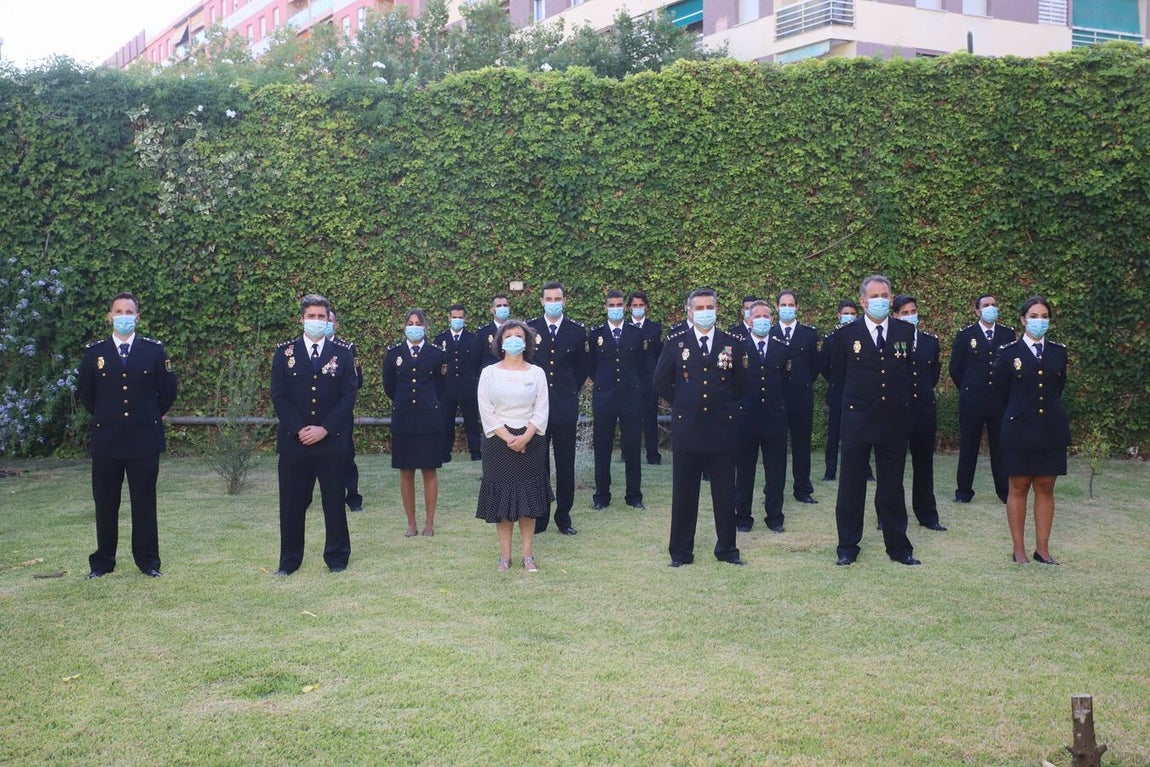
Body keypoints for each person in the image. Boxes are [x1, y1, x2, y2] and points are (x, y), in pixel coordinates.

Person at [77, 291, 178, 579]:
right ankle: (103, 562)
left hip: (143, 440)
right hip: (106, 440)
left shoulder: (154, 352)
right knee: (105, 503)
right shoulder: (94, 353)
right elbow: (86, 394)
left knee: (144, 502)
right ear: (109, 316)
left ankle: (148, 561)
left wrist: (145, 417)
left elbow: (167, 392)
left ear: (138, 317)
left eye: (128, 311)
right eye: (118, 311)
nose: (123, 316)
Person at [829, 275, 920, 566]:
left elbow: (907, 373)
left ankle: (898, 547)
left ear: (891, 299)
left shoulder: (905, 332)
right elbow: (838, 377)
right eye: (874, 296)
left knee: (892, 486)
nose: (880, 300)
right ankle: (847, 546)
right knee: (851, 487)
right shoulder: (845, 335)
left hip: (893, 420)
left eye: (885, 295)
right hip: (857, 419)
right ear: (863, 301)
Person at [654, 287, 747, 567]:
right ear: (689, 311)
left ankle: (727, 550)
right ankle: (681, 552)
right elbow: (660, 381)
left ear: (717, 309)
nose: (706, 312)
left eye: (710, 307)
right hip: (688, 428)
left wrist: (725, 406)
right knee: (684, 492)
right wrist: (682, 403)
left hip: (721, 428)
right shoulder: (676, 342)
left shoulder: (732, 342)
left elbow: (743, 384)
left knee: (724, 492)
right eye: (700, 308)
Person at [270, 294, 358, 575]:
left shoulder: (343, 353)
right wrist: (299, 429)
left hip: (331, 443)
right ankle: (289, 560)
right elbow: (279, 395)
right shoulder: (284, 353)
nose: (317, 322)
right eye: (312, 317)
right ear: (302, 319)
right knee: (292, 504)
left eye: (322, 317)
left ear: (328, 320)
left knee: (334, 502)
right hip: (294, 443)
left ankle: (337, 557)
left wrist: (324, 429)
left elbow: (348, 397)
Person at [993, 296, 1069, 565]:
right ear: (1023, 320)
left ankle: (1042, 549)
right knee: (1019, 486)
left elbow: (1058, 388)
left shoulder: (1059, 352)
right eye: (1034, 316)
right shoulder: (1008, 352)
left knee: (1046, 487)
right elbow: (1000, 394)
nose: (1040, 321)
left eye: (1044, 316)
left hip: (1050, 428)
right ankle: (1019, 550)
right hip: (1018, 429)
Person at [476, 320, 551, 571]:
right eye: (508, 336)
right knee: (503, 503)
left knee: (527, 504)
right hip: (498, 444)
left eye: (518, 336)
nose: (513, 340)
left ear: (527, 342)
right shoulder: (489, 373)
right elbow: (486, 410)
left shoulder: (536, 373)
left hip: (531, 443)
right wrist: (508, 438)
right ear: (500, 342)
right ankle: (505, 557)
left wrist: (526, 437)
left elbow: (541, 410)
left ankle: (528, 555)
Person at [528, 281, 588, 535]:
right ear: (541, 301)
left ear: (565, 301)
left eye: (557, 299)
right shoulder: (531, 328)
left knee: (565, 463)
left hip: (564, 405)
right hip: (538, 409)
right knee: (539, 464)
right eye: (548, 299)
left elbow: (583, 368)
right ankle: (540, 517)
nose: (553, 303)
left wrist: (567, 390)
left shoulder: (576, 331)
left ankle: (563, 516)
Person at [383, 309, 445, 537]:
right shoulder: (393, 354)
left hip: (429, 418)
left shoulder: (436, 354)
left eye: (418, 323)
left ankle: (429, 522)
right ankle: (411, 523)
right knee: (406, 471)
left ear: (426, 327)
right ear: (404, 326)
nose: (414, 326)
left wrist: (427, 403)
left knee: (429, 470)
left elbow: (441, 387)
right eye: (410, 322)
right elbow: (389, 386)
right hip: (404, 419)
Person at [950, 294, 1016, 503]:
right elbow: (956, 368)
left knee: (1001, 448)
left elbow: (1011, 367)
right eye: (986, 306)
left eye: (994, 305)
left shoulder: (1007, 334)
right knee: (969, 447)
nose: (991, 308)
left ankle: (1004, 492)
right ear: (977, 311)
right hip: (972, 401)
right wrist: (969, 388)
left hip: (998, 402)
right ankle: (963, 492)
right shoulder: (966, 335)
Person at [734, 301, 789, 533]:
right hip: (746, 419)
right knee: (744, 471)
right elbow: (731, 383)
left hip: (774, 419)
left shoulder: (781, 347)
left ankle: (774, 516)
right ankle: (743, 517)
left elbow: (787, 382)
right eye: (758, 316)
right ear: (749, 319)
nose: (763, 320)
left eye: (767, 315)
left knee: (776, 471)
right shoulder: (738, 347)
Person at [893, 295, 946, 531]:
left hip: (923, 410)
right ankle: (888, 515)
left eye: (913, 311)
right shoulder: (890, 341)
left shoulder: (930, 342)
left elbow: (932, 375)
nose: (910, 315)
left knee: (924, 466)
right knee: (893, 466)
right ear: (895, 315)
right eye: (904, 312)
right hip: (896, 410)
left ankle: (927, 515)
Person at [589, 289, 646, 510]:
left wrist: (633, 385)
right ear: (605, 308)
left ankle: (634, 495)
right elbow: (592, 367)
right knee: (602, 448)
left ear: (625, 307)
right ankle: (602, 495)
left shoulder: (635, 333)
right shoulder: (595, 335)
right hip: (605, 397)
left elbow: (642, 366)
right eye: (611, 305)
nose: (615, 309)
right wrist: (604, 383)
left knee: (632, 447)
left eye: (619, 305)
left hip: (630, 397)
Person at [771, 289, 819, 504]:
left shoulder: (808, 334)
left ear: (797, 307)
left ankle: (802, 489)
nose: (787, 308)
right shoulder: (769, 332)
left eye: (791, 304)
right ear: (776, 307)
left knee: (801, 445)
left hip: (801, 397)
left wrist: (804, 383)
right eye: (783, 304)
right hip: (776, 399)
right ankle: (773, 490)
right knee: (775, 447)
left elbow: (815, 366)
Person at [435, 304, 482, 462]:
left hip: (468, 388)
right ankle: (444, 454)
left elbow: (476, 362)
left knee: (472, 423)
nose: (457, 320)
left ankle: (476, 453)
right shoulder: (440, 339)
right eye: (454, 317)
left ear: (465, 318)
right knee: (445, 423)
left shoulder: (472, 338)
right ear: (449, 318)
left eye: (460, 317)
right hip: (447, 389)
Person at [327, 308, 363, 512]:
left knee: (345, 454)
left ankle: (353, 496)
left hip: (341, 412)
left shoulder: (347, 349)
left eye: (329, 320)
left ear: (336, 324)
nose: (324, 324)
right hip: (317, 412)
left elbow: (358, 381)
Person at [818, 301, 858, 481]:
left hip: (859, 393)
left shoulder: (861, 336)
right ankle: (830, 471)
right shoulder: (831, 339)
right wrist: (836, 380)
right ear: (839, 315)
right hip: (838, 392)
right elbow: (823, 365)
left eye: (852, 313)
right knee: (834, 434)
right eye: (846, 313)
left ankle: (865, 471)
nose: (849, 316)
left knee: (860, 432)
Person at [627, 290, 663, 465]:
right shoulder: (625, 328)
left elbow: (658, 356)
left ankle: (652, 454)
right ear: (629, 307)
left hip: (649, 380)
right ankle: (627, 453)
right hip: (630, 380)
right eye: (635, 305)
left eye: (641, 305)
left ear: (646, 307)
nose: (638, 308)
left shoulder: (655, 329)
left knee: (650, 418)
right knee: (630, 418)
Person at [472, 294, 512, 374]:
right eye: (499, 306)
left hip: (512, 376)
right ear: (492, 310)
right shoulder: (483, 333)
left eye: (505, 305)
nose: (502, 308)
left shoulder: (516, 330)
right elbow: (475, 361)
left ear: (509, 308)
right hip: (491, 378)